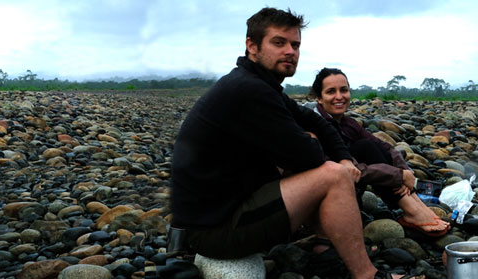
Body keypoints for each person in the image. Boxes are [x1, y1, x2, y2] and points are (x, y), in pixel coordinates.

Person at [170, 8, 397, 279]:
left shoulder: (260, 84)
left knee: (321, 156)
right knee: (333, 176)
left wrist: (345, 157)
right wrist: (332, 158)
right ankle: (367, 275)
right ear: (251, 45)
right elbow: (308, 157)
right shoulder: (248, 90)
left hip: (221, 213)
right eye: (279, 43)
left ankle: (325, 249)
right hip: (213, 232)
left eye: (295, 45)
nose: (290, 51)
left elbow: (317, 122)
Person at [306, 68, 449, 236]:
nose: (339, 97)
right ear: (319, 98)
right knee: (366, 148)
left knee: (370, 145)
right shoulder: (313, 125)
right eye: (331, 92)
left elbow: (384, 146)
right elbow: (348, 170)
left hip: (347, 184)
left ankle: (416, 205)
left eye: (343, 90)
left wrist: (406, 171)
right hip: (320, 193)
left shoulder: (347, 122)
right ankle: (411, 210)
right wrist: (398, 175)